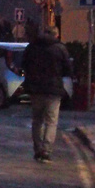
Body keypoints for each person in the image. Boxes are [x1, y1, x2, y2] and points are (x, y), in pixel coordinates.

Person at [22, 25, 72, 163]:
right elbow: (68, 69)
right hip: (53, 90)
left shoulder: (32, 47)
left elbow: (24, 64)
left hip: (36, 89)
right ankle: (46, 150)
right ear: (56, 35)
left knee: (37, 120)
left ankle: (37, 149)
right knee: (51, 121)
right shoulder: (60, 48)